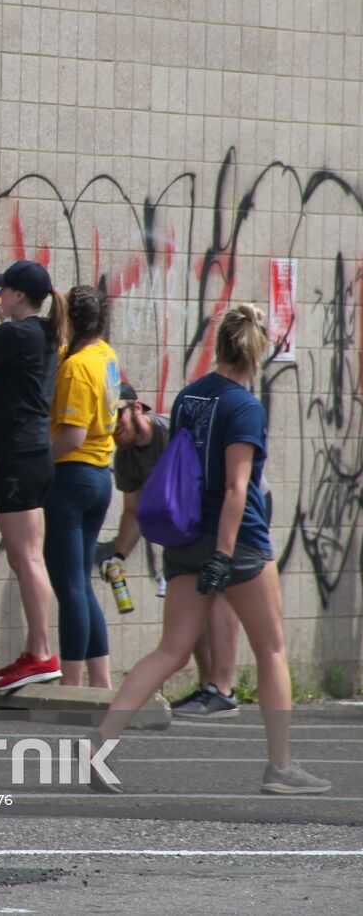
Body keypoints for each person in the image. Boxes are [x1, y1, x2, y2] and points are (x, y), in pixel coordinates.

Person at [85, 305, 330, 795]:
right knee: (272, 649)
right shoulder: (245, 407)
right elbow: (238, 488)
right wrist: (223, 554)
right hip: (236, 542)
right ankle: (280, 767)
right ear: (257, 352)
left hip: (184, 535)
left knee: (171, 650)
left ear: (218, 344)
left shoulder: (188, 396)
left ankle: (101, 745)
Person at [0, 260, 67, 692]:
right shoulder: (40, 334)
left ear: (19, 295)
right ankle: (36, 651)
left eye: (3, 291)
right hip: (34, 455)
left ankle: (40, 654)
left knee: (26, 560)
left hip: (19, 459)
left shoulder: (14, 333)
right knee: (30, 558)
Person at [99, 383, 242, 718]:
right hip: (186, 528)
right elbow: (132, 511)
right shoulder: (126, 455)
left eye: (117, 414)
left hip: (216, 516)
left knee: (217, 593)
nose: (113, 425)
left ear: (137, 408)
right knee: (187, 605)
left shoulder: (170, 433)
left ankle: (224, 688)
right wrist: (118, 555)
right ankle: (209, 688)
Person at [43, 285, 120, 688]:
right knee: (81, 582)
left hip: (71, 477)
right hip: (100, 476)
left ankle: (71, 685)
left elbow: (71, 436)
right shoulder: (104, 355)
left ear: (70, 321)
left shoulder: (76, 368)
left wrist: (36, 464)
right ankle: (101, 683)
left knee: (69, 584)